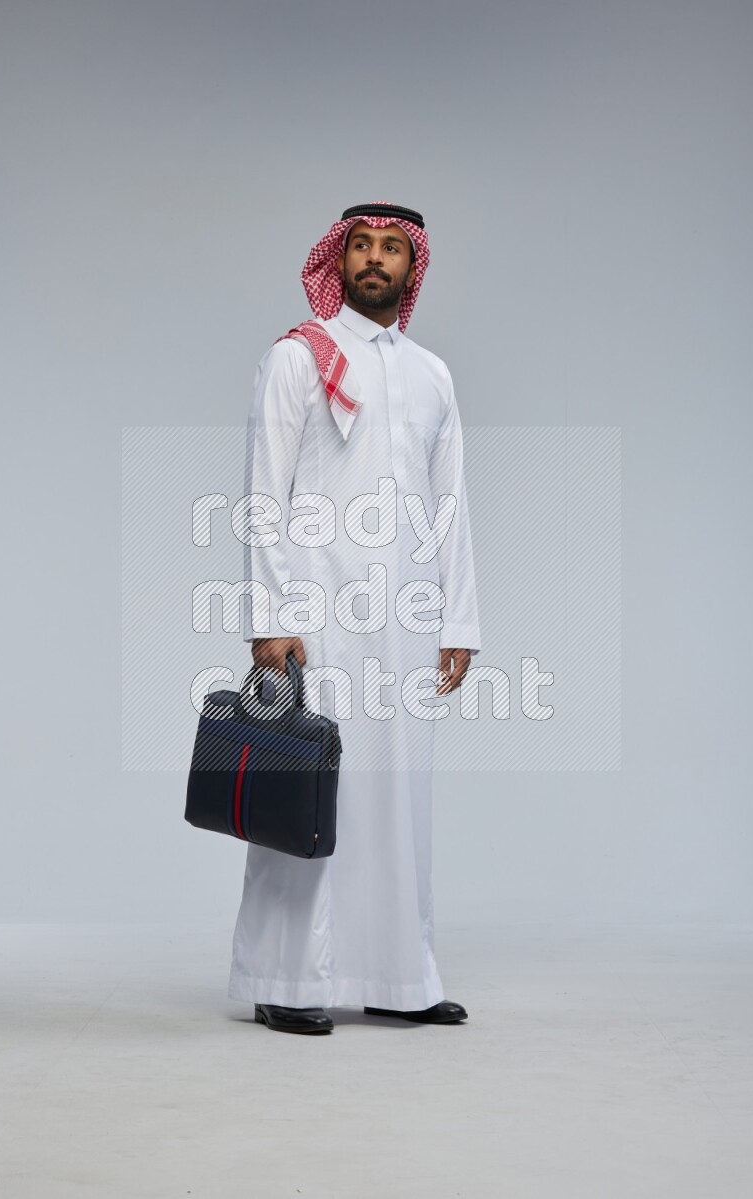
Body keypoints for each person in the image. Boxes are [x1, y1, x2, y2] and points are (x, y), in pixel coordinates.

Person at [230, 201, 482, 1034]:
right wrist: (268, 616)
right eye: (363, 246)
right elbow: (264, 496)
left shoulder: (433, 374)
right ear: (339, 260)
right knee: (307, 783)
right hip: (316, 608)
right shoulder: (300, 358)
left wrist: (458, 621)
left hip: (406, 617)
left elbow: (452, 507)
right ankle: (285, 979)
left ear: (414, 268)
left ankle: (399, 976)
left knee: (398, 794)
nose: (376, 260)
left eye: (393, 249)